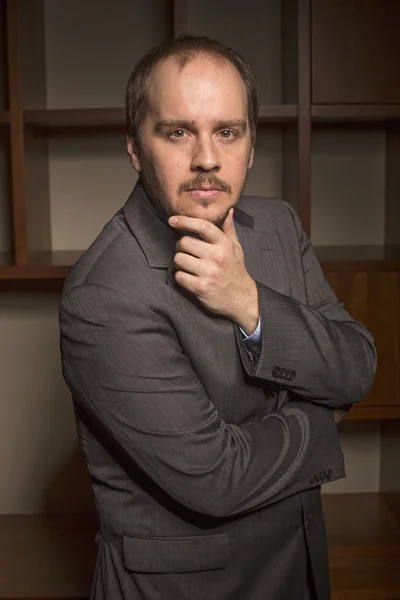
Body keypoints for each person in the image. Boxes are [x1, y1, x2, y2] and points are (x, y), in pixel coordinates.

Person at [59, 35, 376, 600]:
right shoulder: (103, 294)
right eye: (177, 131)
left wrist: (248, 301)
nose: (207, 158)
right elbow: (217, 479)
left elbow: (359, 365)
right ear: (135, 147)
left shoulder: (277, 224)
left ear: (251, 147)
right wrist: (325, 410)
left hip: (300, 571)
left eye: (228, 132)